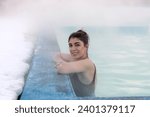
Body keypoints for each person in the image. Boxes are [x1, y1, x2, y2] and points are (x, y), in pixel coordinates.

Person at [54, 30, 96, 97]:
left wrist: (63, 64)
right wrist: (63, 63)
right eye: (70, 45)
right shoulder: (76, 59)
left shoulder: (87, 63)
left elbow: (61, 69)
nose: (73, 49)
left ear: (86, 46)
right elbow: (57, 55)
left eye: (77, 45)